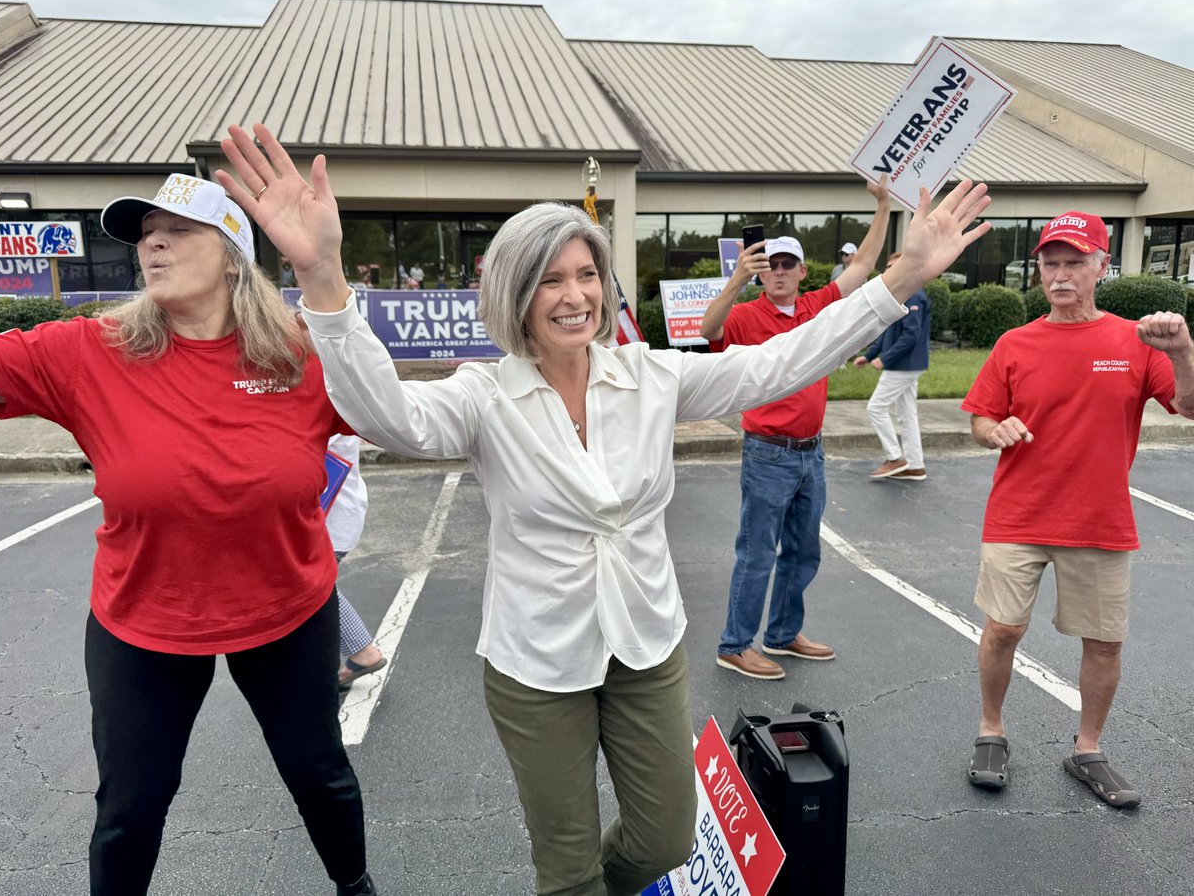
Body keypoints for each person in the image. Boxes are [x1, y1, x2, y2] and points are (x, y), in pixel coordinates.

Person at [216, 122, 990, 895]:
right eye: (551, 279)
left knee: (665, 838)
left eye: (587, 274)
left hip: (646, 644)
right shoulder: (485, 395)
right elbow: (389, 417)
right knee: (567, 865)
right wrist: (322, 276)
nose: (575, 295)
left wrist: (900, 278)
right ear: (516, 294)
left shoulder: (649, 377)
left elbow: (777, 363)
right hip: (537, 663)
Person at [0, 174, 377, 896]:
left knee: (321, 777)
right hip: (145, 618)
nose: (154, 245)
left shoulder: (300, 354)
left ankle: (357, 888)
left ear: (233, 256)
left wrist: (325, 273)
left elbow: (399, 416)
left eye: (178, 230)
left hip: (287, 609)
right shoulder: (89, 351)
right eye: (146, 235)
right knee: (130, 809)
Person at [961, 211, 1194, 808]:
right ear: (1039, 269)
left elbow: (1191, 407)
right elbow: (981, 418)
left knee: (1105, 642)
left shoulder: (1134, 342)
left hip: (1099, 518)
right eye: (1051, 263)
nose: (1061, 274)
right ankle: (991, 730)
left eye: (1075, 262)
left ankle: (1087, 748)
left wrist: (1184, 353)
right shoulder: (1015, 343)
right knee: (1003, 629)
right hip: (1018, 513)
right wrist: (993, 431)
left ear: (1101, 266)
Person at [702, 178, 892, 681]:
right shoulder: (746, 315)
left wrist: (882, 206)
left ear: (803, 271)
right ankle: (735, 644)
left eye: (788, 264)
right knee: (757, 553)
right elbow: (707, 330)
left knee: (804, 550)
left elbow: (863, 266)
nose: (779, 272)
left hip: (811, 452)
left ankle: (783, 634)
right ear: (761, 273)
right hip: (768, 452)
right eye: (771, 265)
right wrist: (736, 280)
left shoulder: (818, 307)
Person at [854, 251, 932, 481]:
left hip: (904, 365)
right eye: (887, 267)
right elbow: (888, 331)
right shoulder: (901, 295)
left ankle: (895, 458)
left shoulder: (913, 296)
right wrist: (869, 356)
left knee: (875, 408)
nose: (888, 271)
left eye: (893, 266)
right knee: (907, 414)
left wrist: (885, 359)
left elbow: (911, 334)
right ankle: (915, 465)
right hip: (905, 364)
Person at [327, 433, 387, 689]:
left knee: (313, 589)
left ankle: (362, 651)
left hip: (328, 517)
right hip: (332, 514)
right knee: (312, 588)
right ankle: (361, 651)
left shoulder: (323, 407)